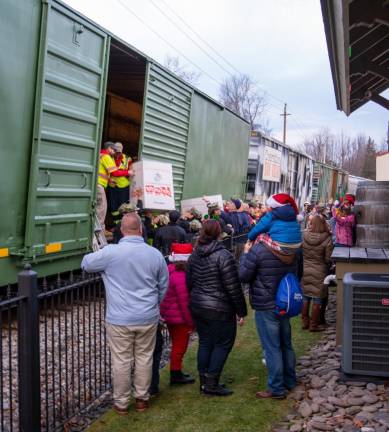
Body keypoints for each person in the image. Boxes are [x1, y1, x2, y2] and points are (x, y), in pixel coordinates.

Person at [81, 213, 169, 414]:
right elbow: (163, 284)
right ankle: (141, 399)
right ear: (140, 230)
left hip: (119, 318)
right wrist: (153, 304)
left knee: (121, 360)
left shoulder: (111, 252)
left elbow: (86, 264)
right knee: (144, 357)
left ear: (121, 231)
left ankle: (121, 403)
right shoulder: (154, 254)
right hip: (147, 316)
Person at [186, 220, 247, 396]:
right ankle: (210, 383)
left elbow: (189, 282)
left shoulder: (195, 255)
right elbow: (233, 287)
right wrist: (241, 311)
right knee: (222, 343)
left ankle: (205, 380)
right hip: (218, 308)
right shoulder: (223, 256)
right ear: (219, 233)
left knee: (205, 341)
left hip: (199, 305)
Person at [239, 232, 298, 400]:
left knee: (272, 348)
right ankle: (290, 380)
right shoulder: (290, 249)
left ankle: (276, 388)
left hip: (266, 305)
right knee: (286, 344)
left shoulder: (258, 250)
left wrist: (245, 255)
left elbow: (243, 275)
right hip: (284, 302)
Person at [160, 243, 195, 385]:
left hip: (170, 315)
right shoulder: (181, 276)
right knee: (180, 347)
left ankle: (177, 372)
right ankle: (176, 374)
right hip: (180, 318)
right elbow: (185, 303)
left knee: (176, 345)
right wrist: (191, 322)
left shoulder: (169, 271)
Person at [301, 215, 333, 332]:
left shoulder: (304, 235)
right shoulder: (327, 237)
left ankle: (305, 322)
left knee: (305, 296)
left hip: (305, 268)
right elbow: (328, 258)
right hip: (320, 270)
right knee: (317, 298)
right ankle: (314, 325)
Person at [106, 142, 134, 225]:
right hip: (112, 186)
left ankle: (123, 224)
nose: (117, 153)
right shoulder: (109, 157)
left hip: (124, 187)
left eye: (119, 152)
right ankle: (116, 224)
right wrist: (109, 179)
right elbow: (109, 172)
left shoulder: (127, 159)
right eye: (116, 151)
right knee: (113, 206)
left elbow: (131, 172)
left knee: (123, 206)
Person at [97, 141, 117, 230]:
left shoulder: (99, 155)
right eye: (113, 150)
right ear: (109, 148)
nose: (115, 152)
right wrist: (128, 172)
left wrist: (109, 180)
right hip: (99, 185)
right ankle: (100, 229)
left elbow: (101, 172)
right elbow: (115, 172)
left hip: (96, 184)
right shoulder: (106, 156)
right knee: (102, 207)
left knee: (97, 206)